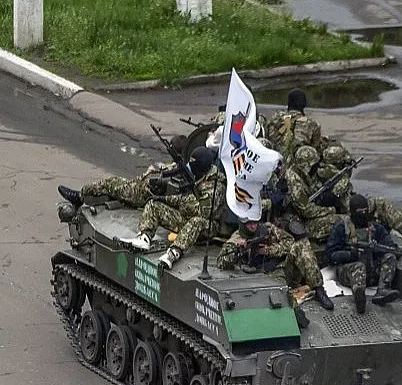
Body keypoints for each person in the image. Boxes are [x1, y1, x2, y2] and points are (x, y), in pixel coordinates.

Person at [120, 147, 224, 269]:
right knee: (154, 204)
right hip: (187, 219)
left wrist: (183, 199)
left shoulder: (216, 185)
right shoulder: (198, 177)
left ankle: (174, 253)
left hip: (207, 227)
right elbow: (184, 201)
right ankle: (144, 237)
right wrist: (163, 199)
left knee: (196, 221)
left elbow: (202, 213)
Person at [316, 144, 402, 243]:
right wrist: (345, 179)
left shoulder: (326, 173)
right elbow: (346, 204)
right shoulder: (333, 177)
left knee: (377, 205)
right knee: (381, 204)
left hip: (345, 207)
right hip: (346, 211)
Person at [216, 219, 334, 315]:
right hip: (261, 279)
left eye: (254, 223)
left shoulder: (268, 229)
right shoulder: (236, 238)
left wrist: (269, 250)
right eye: (249, 224)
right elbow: (221, 262)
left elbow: (290, 242)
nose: (253, 226)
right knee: (277, 297)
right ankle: (293, 312)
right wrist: (237, 249)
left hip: (280, 268)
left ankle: (318, 289)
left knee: (301, 246)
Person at [58, 135, 188, 208]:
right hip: (144, 189)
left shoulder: (177, 170)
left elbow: (159, 180)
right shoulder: (185, 166)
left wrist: (152, 172)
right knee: (118, 184)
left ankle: (79, 196)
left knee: (111, 182)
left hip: (142, 194)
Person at [325, 194, 401, 314]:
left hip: (371, 270)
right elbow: (330, 255)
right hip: (350, 272)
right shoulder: (341, 228)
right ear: (352, 212)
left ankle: (382, 290)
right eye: (360, 212)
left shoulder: (376, 228)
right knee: (358, 267)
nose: (364, 214)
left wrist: (378, 251)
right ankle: (359, 296)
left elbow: (392, 248)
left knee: (390, 257)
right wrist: (350, 255)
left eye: (366, 211)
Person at [265, 88, 323, 159]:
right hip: (299, 164)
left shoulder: (276, 118)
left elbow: (268, 136)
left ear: (289, 102)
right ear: (304, 104)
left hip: (275, 160)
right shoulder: (312, 124)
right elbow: (316, 149)